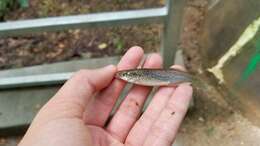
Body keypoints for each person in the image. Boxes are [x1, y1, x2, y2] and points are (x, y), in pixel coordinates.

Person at [18, 46, 193, 146]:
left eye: (126, 76)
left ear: (134, 77)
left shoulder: (135, 75)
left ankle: (192, 80)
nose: (123, 77)